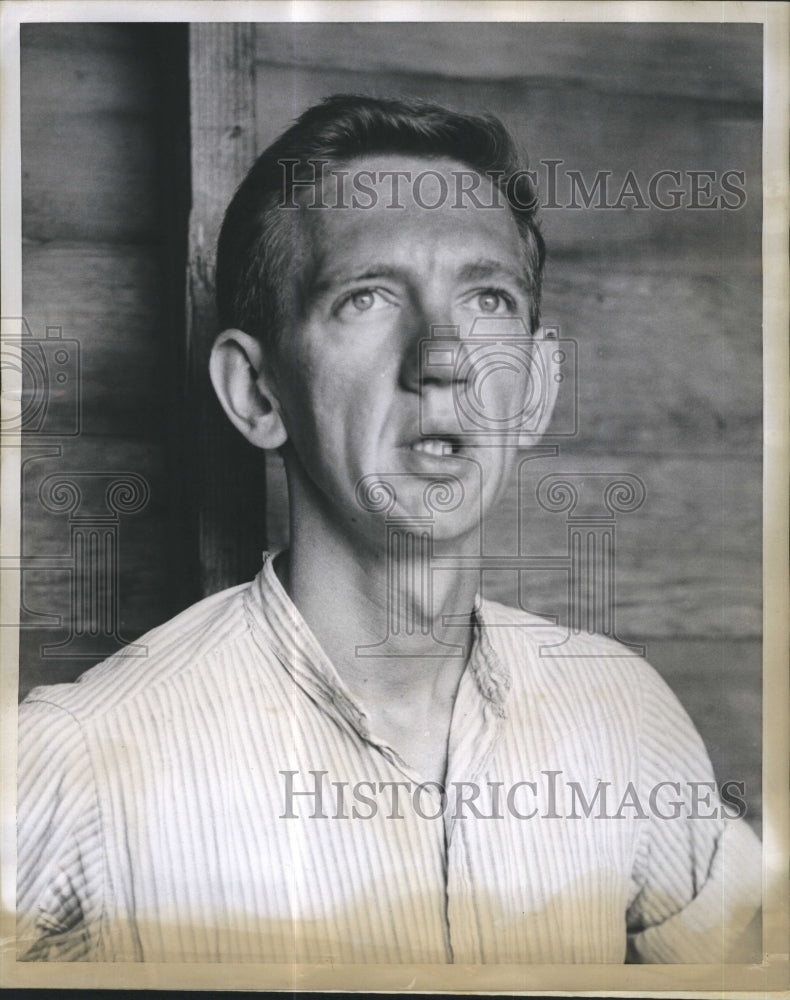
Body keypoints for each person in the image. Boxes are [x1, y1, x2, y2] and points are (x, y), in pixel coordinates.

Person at [17, 94, 761, 964]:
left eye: (486, 298)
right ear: (257, 394)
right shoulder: (76, 766)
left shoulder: (622, 718)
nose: (443, 357)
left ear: (536, 387)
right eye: (367, 297)